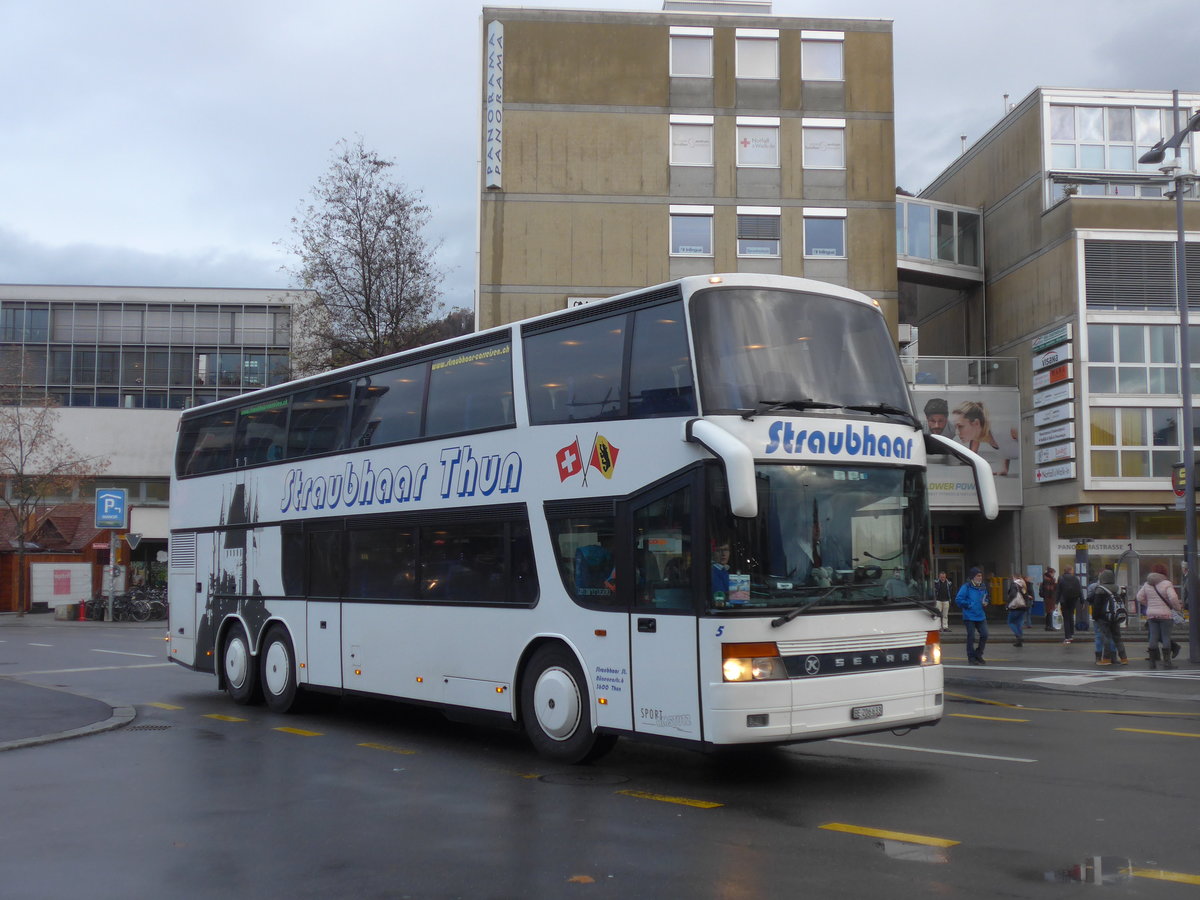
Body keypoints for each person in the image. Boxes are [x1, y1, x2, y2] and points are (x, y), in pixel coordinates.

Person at [952, 400, 1019, 476]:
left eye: (960, 426)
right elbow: (1004, 446)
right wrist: (1004, 469)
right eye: (956, 427)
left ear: (976, 423)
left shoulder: (1004, 429)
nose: (957, 432)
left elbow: (1029, 439)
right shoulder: (984, 437)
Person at [1137, 563, 1183, 670]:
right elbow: (1173, 597)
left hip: (1151, 615)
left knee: (1153, 637)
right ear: (1164, 572)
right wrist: (1177, 608)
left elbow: (1139, 597)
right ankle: (1167, 663)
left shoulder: (1147, 584)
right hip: (1165, 615)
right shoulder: (1167, 583)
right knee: (1166, 637)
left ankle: (1152, 663)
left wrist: (1149, 605)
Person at [1087, 570, 1127, 666]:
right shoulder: (1117, 588)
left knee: (1106, 637)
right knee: (1117, 637)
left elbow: (1096, 604)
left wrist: (1095, 617)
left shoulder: (1100, 589)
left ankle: (1106, 659)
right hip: (1115, 616)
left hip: (1103, 617)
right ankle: (1124, 658)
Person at [955, 567, 989, 665]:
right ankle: (971, 657)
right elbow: (958, 599)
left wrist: (986, 602)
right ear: (973, 577)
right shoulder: (966, 587)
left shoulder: (983, 586)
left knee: (985, 634)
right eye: (978, 576)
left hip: (980, 615)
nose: (980, 578)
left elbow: (986, 597)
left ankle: (978, 654)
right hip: (969, 616)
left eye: (981, 576)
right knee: (971, 637)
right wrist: (969, 604)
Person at [1057, 565, 1082, 644]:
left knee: (1066, 618)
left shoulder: (1061, 578)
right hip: (1073, 600)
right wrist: (1082, 601)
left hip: (1064, 600)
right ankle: (1071, 634)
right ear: (1070, 570)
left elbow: (1058, 591)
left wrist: (1056, 602)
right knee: (1071, 616)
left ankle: (1067, 637)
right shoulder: (1076, 578)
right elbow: (1080, 590)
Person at [1005, 574, 1032, 647]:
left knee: (1011, 622)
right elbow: (1026, 595)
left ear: (1015, 578)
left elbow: (1012, 595)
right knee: (1018, 623)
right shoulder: (1023, 584)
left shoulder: (1014, 584)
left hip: (1015, 606)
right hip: (1023, 607)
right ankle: (1019, 641)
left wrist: (1007, 604)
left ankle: (1019, 636)